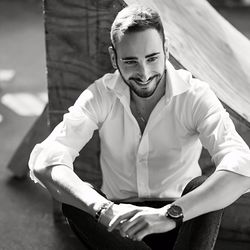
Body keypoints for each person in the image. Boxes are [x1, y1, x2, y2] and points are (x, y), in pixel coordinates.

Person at [29, 4, 250, 250]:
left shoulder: (195, 95)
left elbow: (242, 164)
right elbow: (45, 161)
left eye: (152, 58)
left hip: (179, 220)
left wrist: (170, 214)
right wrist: (103, 209)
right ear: (114, 58)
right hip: (120, 223)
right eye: (131, 61)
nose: (144, 73)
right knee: (75, 200)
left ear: (166, 50)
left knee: (201, 185)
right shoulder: (102, 94)